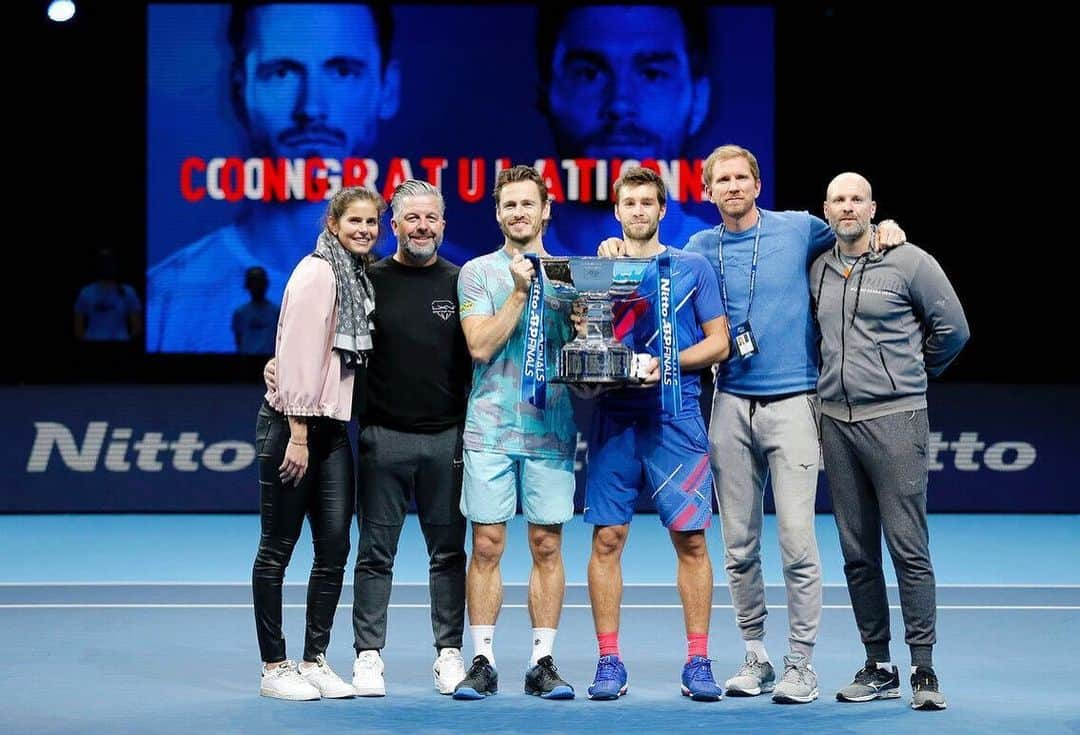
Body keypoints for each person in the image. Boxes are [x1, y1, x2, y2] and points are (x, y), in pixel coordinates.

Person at [602, 144, 905, 704]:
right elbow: (645, 268)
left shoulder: (797, 229)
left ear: (757, 185)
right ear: (709, 190)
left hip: (793, 402)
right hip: (729, 403)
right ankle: (756, 656)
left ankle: (800, 663)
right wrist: (616, 247)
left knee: (795, 539)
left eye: (743, 177)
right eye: (723, 180)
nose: (734, 186)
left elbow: (848, 223)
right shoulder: (697, 247)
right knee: (738, 543)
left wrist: (884, 225)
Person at [147, 3, 400, 352]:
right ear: (239, 89)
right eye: (282, 72)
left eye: (342, 71)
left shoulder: (452, 281)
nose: (311, 108)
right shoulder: (165, 302)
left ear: (387, 88)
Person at [811, 172, 968, 711]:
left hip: (897, 419)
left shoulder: (910, 261)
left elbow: (954, 329)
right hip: (834, 421)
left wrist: (910, 375)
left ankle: (924, 669)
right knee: (857, 552)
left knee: (908, 548)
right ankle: (878, 664)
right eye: (838, 199)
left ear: (873, 208)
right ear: (826, 210)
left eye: (857, 198)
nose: (848, 206)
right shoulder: (818, 268)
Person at [581, 167, 729, 702]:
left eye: (648, 202)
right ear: (617, 211)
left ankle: (698, 661)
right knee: (607, 538)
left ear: (662, 210)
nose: (639, 210)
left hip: (677, 417)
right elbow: (586, 342)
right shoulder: (598, 269)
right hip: (614, 419)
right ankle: (608, 661)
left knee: (690, 540)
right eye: (630, 203)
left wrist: (663, 362)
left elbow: (719, 344)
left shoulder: (692, 268)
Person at [451, 165, 577, 700]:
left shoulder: (571, 273)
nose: (519, 213)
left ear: (546, 210)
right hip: (489, 430)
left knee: (547, 545)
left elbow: (583, 348)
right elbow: (479, 345)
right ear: (498, 213)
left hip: (551, 429)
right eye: (510, 205)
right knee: (486, 544)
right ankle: (481, 659)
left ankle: (542, 662)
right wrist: (522, 293)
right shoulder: (476, 273)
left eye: (529, 204)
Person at [252, 185, 380, 701]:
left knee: (333, 548)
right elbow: (298, 354)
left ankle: (314, 660)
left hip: (330, 430)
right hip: (292, 427)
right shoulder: (318, 272)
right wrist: (299, 435)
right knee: (277, 550)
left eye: (372, 222)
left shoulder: (355, 278)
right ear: (333, 222)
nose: (365, 230)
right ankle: (274, 666)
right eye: (355, 221)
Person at [348, 180, 471, 697]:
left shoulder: (463, 281)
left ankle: (448, 653)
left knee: (447, 555)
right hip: (384, 441)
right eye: (411, 219)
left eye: (431, 218)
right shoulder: (366, 282)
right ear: (393, 225)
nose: (422, 227)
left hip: (446, 441)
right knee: (376, 555)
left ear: (443, 224)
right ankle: (369, 657)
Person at [536, 5, 714, 255]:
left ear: (699, 99)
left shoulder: (722, 265)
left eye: (652, 74)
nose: (620, 104)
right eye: (589, 74)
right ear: (546, 93)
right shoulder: (492, 271)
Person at [74, 247, 143, 344]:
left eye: (109, 261)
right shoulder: (85, 292)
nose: (106, 265)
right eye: (103, 262)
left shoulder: (128, 291)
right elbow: (78, 327)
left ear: (115, 264)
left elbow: (137, 326)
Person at [232, 266, 280, 355]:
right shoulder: (240, 313)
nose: (256, 286)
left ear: (265, 284)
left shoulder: (277, 312)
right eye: (253, 283)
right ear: (248, 285)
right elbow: (239, 341)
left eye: (259, 282)